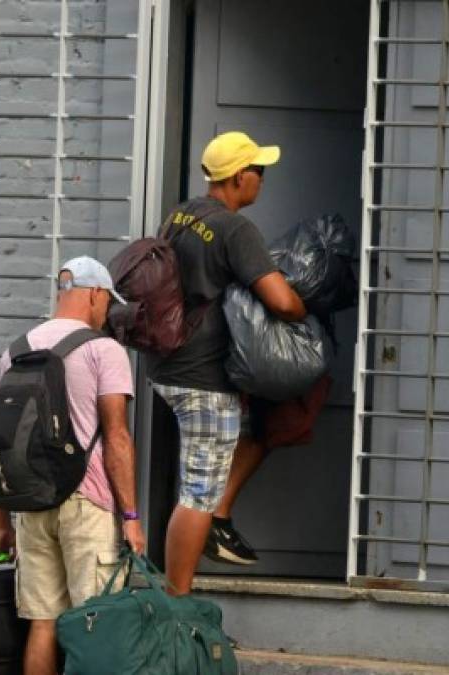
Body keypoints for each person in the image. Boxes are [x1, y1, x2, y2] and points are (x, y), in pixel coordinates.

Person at [148, 131, 306, 593]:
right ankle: (177, 601)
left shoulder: (182, 214)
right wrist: (302, 311)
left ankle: (198, 556)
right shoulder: (235, 230)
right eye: (260, 171)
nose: (262, 180)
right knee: (198, 494)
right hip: (202, 379)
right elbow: (280, 301)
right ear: (240, 177)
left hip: (168, 367)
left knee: (209, 476)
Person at [0, 256, 145, 675]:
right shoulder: (103, 350)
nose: (107, 313)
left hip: (31, 504)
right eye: (107, 303)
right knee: (94, 625)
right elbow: (117, 438)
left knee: (43, 623)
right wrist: (130, 515)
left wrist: (1, 524)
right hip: (87, 503)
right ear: (94, 294)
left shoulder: (15, 351)